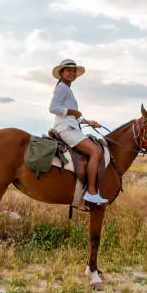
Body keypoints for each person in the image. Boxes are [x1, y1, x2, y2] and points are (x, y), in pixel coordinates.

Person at [49, 59, 108, 205]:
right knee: (95, 152)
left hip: (69, 127)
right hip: (66, 130)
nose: (71, 73)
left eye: (73, 71)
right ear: (61, 73)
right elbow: (52, 108)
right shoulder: (63, 88)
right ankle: (91, 192)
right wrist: (72, 111)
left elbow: (69, 117)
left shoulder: (66, 89)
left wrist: (88, 122)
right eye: (68, 70)